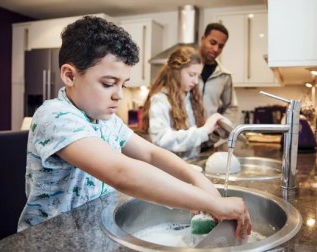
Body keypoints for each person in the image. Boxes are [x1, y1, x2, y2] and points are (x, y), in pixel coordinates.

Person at [17, 16, 252, 239]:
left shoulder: (107, 121)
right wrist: (212, 203)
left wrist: (199, 181)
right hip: (51, 240)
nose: (119, 95)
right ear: (70, 75)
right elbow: (122, 173)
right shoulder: (55, 116)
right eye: (108, 84)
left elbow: (151, 153)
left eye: (123, 84)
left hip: (91, 232)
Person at [141, 46, 225, 160]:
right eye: (191, 75)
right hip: (170, 169)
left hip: (190, 165)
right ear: (176, 72)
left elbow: (191, 140)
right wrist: (204, 131)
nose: (196, 81)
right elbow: (161, 139)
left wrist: (212, 133)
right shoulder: (160, 100)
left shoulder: (190, 97)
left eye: (198, 76)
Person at [198, 22, 239, 124]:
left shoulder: (225, 76)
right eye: (212, 43)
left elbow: (231, 107)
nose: (216, 49)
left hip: (210, 137)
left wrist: (219, 130)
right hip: (183, 136)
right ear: (203, 39)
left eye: (221, 46)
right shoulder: (184, 69)